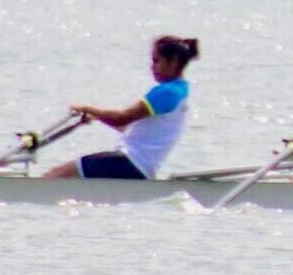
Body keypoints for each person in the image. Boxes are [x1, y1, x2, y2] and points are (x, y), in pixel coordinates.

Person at [44, 36, 200, 179]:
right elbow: (127, 127)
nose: (152, 67)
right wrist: (98, 116)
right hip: (138, 168)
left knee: (56, 174)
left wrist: (87, 108)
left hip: (130, 163)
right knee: (65, 175)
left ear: (174, 61)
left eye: (156, 60)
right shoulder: (180, 91)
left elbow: (123, 117)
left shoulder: (167, 92)